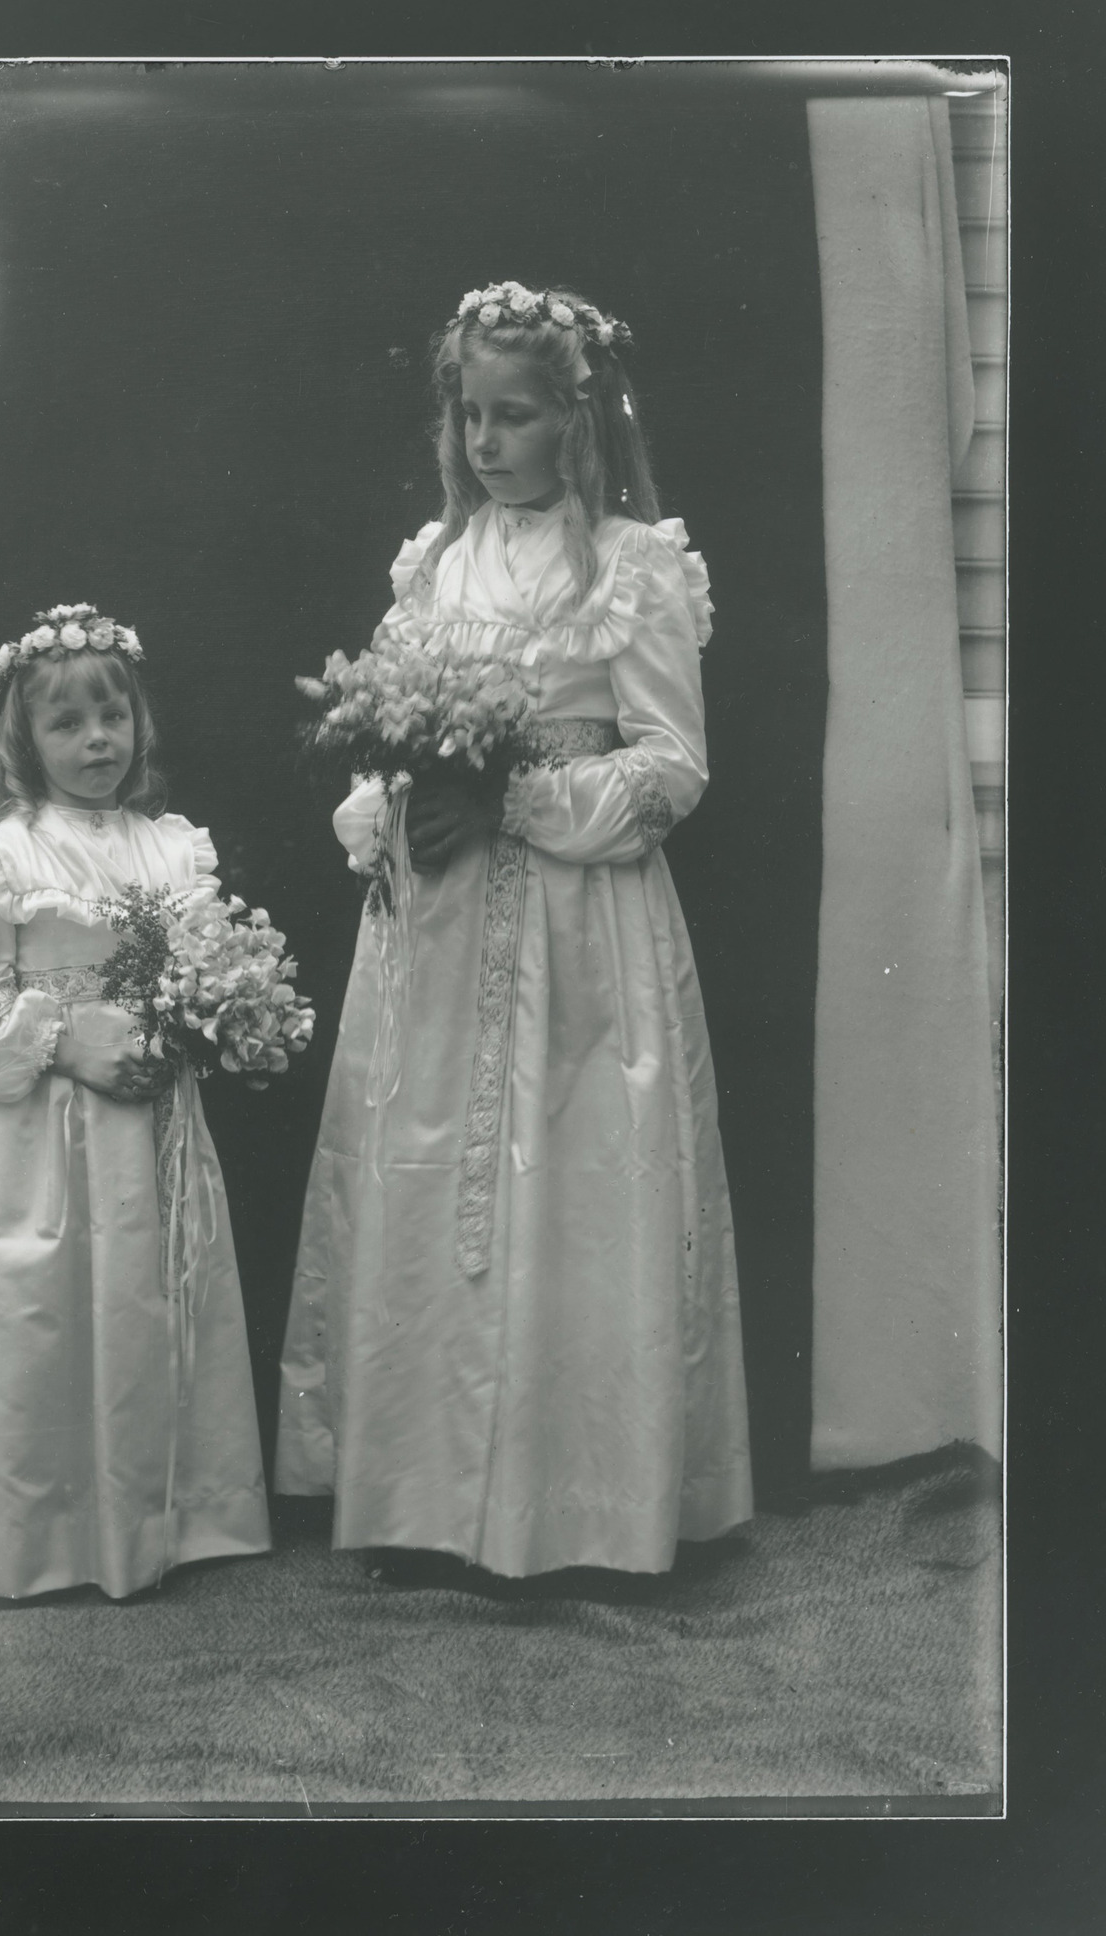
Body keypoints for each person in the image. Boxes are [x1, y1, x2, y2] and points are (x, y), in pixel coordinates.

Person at [275, 281, 753, 1582]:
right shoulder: (431, 565)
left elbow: (669, 767)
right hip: (435, 927)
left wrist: (518, 799)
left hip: (575, 924)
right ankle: (421, 1501)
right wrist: (393, 807)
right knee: (427, 1176)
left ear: (576, 424)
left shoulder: (634, 568)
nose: (488, 443)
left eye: (518, 416)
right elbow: (384, 725)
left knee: (572, 1187)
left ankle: (580, 1508)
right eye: (469, 415)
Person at [0, 606, 270, 1600]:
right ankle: (32, 1525)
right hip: (35, 1131)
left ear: (138, 724)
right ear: (25, 740)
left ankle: (157, 1519)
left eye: (112, 716)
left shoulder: (171, 847)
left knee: (142, 1303)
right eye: (67, 723)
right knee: (37, 1312)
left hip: (150, 1118)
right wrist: (64, 1034)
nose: (97, 739)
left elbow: (204, 966)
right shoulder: (6, 850)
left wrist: (198, 1021)